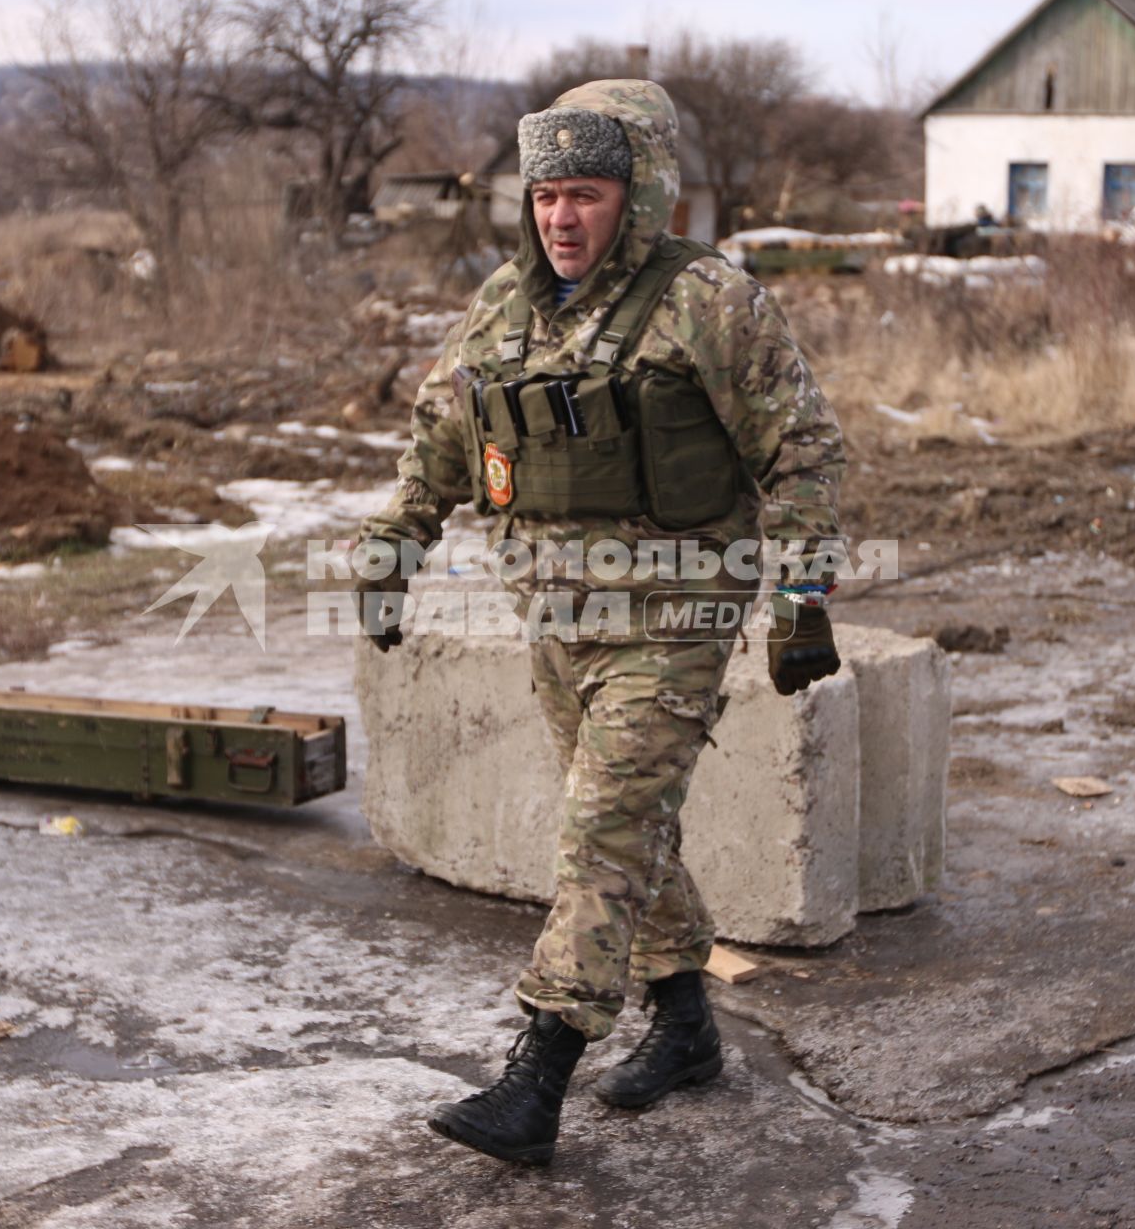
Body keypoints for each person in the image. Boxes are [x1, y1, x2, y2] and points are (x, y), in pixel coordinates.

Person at [354, 79, 847, 1166]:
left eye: (584, 194)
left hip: (675, 613)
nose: (561, 218)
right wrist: (394, 545)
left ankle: (538, 1071)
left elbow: (802, 449)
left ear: (641, 195)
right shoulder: (502, 307)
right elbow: (441, 434)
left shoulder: (707, 302)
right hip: (557, 617)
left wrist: (803, 593)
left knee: (600, 831)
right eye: (544, 197)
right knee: (629, 828)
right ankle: (683, 1022)